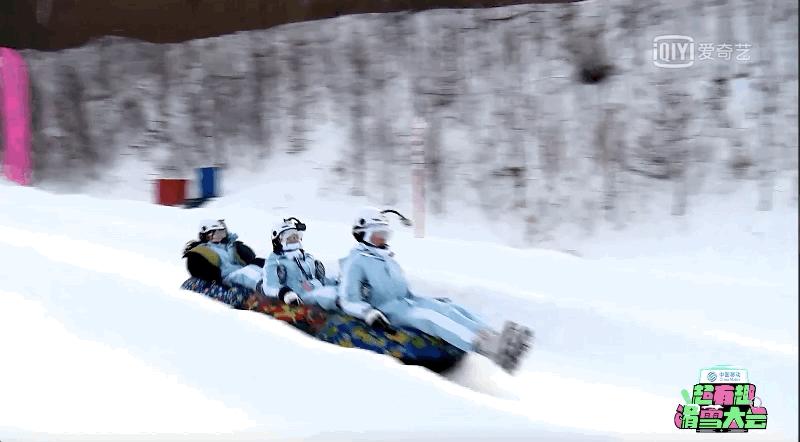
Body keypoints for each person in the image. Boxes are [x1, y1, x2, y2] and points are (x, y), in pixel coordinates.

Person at [337, 207, 532, 373]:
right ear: (362, 235)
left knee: (449, 308)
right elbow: (348, 299)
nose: (382, 238)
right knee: (431, 318)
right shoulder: (356, 261)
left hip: (406, 302)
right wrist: (369, 313)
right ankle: (485, 347)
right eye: (377, 234)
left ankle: (494, 337)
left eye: (385, 234)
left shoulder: (385, 258)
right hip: (387, 311)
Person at [259, 217, 338, 309]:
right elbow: (270, 286)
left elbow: (319, 280)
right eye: (290, 237)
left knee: (336, 291)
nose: (295, 238)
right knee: (329, 297)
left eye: (296, 235)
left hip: (317, 293)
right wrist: (284, 293)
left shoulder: (306, 257)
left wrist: (335, 282)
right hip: (301, 298)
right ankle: (340, 304)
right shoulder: (275, 261)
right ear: (279, 240)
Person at [183, 219, 264, 291]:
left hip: (241, 270)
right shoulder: (200, 251)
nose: (219, 237)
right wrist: (214, 276)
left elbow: (250, 257)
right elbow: (196, 268)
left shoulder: (229, 245)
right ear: (205, 235)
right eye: (215, 234)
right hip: (226, 277)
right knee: (244, 274)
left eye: (221, 233)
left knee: (254, 268)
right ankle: (263, 288)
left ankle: (270, 283)